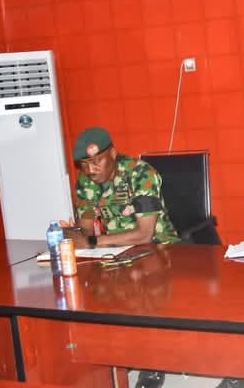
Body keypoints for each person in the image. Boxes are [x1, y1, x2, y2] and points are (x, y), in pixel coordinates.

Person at [66, 126, 179, 388]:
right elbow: (86, 228)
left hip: (161, 251)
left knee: (141, 293)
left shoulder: (141, 174)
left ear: (113, 154)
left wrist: (91, 242)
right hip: (116, 253)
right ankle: (112, 357)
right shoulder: (85, 181)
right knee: (89, 290)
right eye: (84, 165)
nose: (91, 170)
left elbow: (145, 234)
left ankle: (152, 364)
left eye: (97, 161)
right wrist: (74, 234)